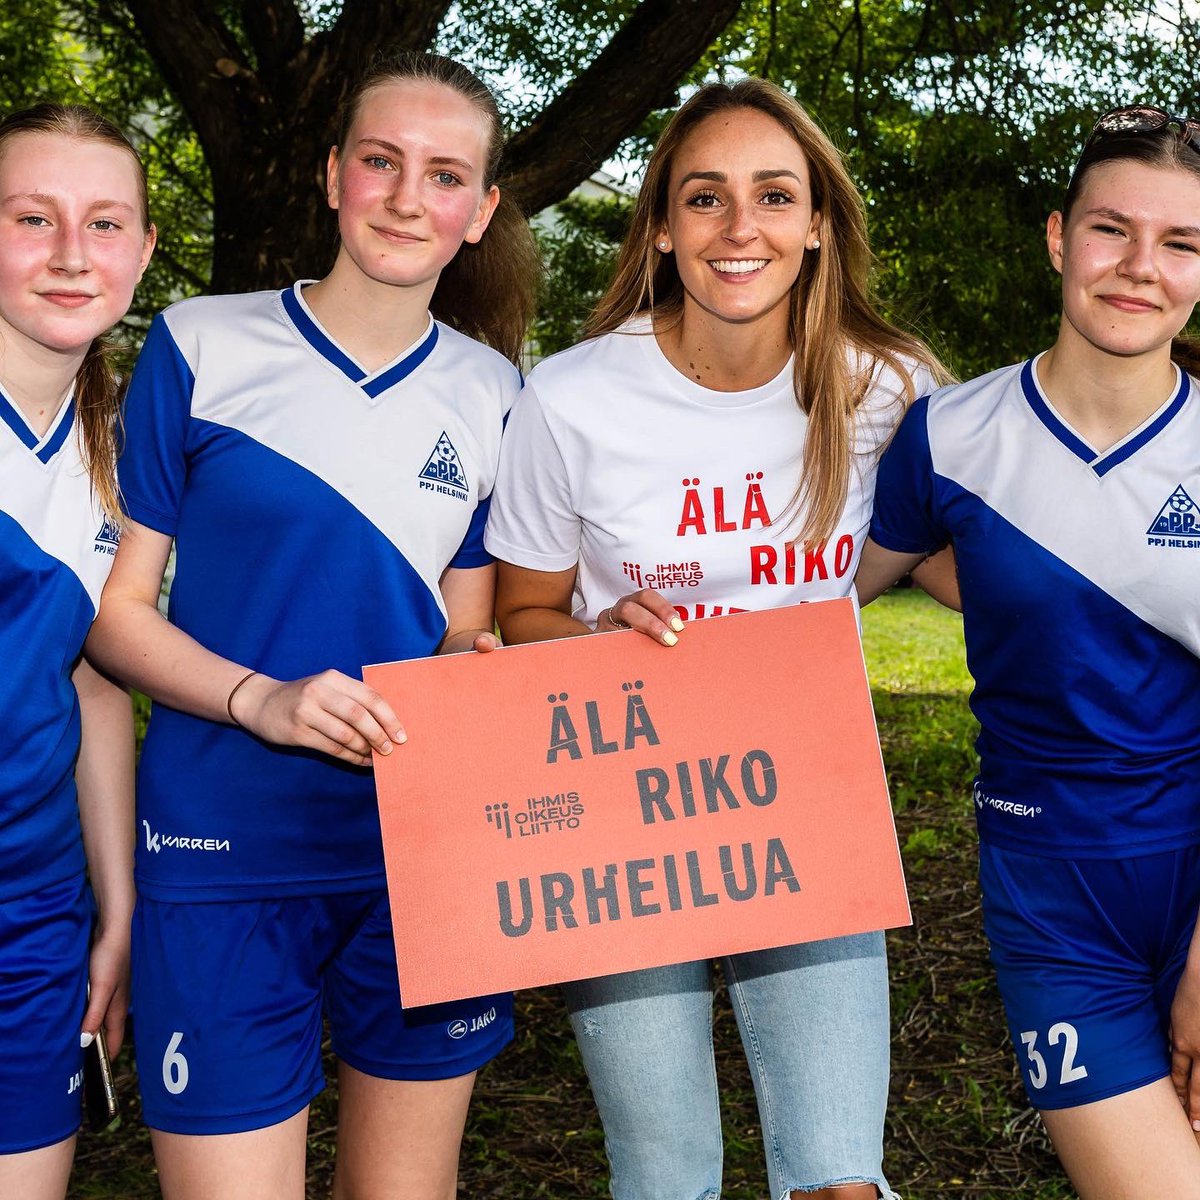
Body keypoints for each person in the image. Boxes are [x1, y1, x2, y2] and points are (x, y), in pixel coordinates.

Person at [86, 52, 539, 1200]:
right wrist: (263, 699)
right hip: (222, 850)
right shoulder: (201, 343)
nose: (404, 196)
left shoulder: (496, 392)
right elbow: (115, 615)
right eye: (381, 161)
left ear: (480, 212)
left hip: (424, 860)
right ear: (334, 174)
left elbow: (465, 630)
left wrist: (486, 667)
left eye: (445, 176)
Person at [485, 78, 947, 1200]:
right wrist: (598, 628)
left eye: (774, 195)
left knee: (840, 1179)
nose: (741, 228)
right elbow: (522, 612)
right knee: (664, 1176)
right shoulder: (574, 396)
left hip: (808, 809)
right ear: (661, 227)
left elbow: (987, 571)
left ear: (819, 223)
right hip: (623, 815)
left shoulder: (889, 389)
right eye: (705, 197)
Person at [857, 105, 1200, 1198]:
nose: (1140, 268)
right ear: (1059, 238)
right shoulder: (949, 434)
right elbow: (825, 588)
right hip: (1049, 891)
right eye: (1112, 230)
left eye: (1183, 243)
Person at [0, 103, 155, 1199]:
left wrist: (119, 907)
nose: (69, 254)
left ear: (144, 252)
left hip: (33, 908)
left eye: (104, 225)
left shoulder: (116, 457)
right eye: (31, 217)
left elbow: (97, 680)